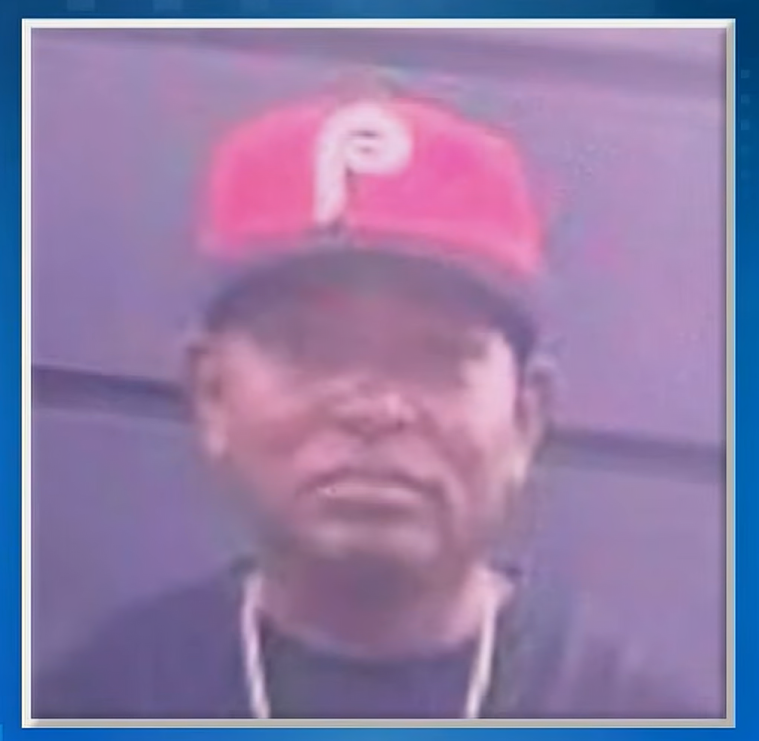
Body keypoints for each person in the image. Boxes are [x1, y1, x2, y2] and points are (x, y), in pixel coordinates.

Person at [34, 90, 701, 721]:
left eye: (438, 355)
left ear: (525, 420)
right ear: (213, 394)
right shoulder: (92, 702)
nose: (376, 409)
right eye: (307, 348)